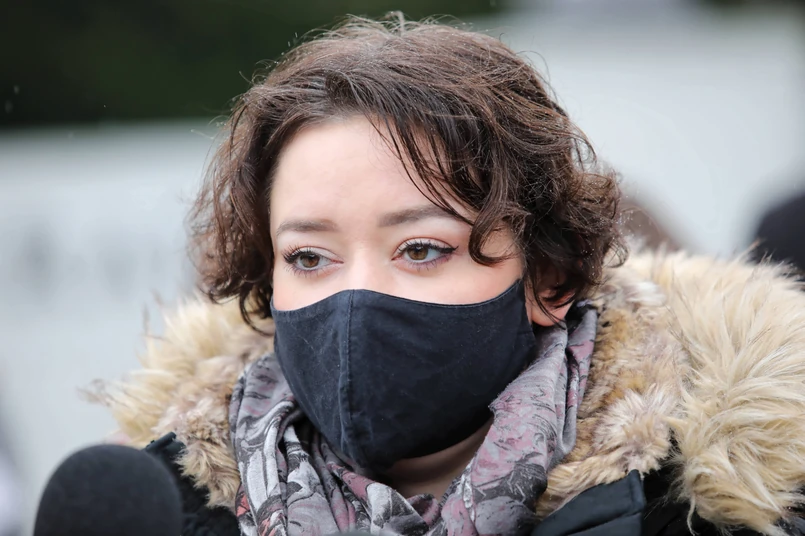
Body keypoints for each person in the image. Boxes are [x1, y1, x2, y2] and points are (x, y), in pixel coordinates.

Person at [96, 14, 805, 536]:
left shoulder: (718, 513)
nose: (356, 298)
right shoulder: (158, 509)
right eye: (309, 258)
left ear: (549, 277)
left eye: (421, 249)